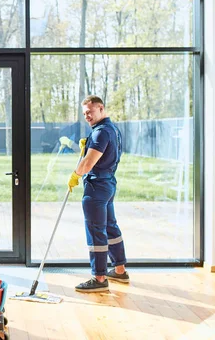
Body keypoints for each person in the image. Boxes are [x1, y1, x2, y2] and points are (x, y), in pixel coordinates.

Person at [67, 96, 129, 293]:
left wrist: (75, 175)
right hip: (109, 183)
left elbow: (87, 165)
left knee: (96, 232)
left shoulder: (100, 133)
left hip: (96, 188)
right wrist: (86, 146)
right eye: (84, 113)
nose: (87, 116)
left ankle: (99, 277)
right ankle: (119, 270)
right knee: (110, 227)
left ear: (101, 108)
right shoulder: (112, 130)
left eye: (90, 112)